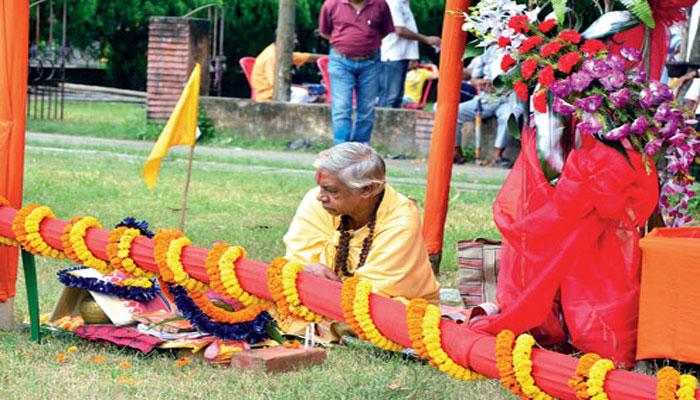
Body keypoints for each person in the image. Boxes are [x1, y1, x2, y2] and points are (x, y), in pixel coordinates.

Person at [283, 142, 440, 304]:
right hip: (322, 299)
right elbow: (297, 260)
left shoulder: (401, 219)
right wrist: (306, 270)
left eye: (332, 190)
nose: (320, 196)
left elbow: (377, 290)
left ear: (368, 189)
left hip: (387, 307)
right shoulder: (316, 201)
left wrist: (331, 288)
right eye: (321, 188)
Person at [319, 0, 395, 144]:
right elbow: (324, 31)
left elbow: (384, 31)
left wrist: (367, 43)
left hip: (371, 62)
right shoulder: (331, 4)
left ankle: (360, 149)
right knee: (341, 108)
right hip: (340, 61)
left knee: (366, 109)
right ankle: (342, 150)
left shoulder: (380, 4)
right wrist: (342, 42)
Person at [455, 46, 525, 167]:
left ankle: (497, 155)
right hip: (486, 99)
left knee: (509, 116)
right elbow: (474, 78)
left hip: (510, 99)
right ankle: (456, 153)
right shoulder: (489, 49)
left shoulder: (522, 48)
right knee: (455, 112)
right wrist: (480, 83)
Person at [378, 0, 441, 108]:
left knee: (397, 98)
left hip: (402, 56)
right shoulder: (394, 3)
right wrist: (426, 39)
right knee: (390, 98)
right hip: (393, 56)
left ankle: (392, 124)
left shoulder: (404, 3)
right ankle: (382, 124)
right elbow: (399, 30)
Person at [251, 38, 323, 103]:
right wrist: (302, 87)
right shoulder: (272, 56)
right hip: (268, 93)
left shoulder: (280, 52)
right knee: (302, 94)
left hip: (273, 90)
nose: (296, 41)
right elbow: (276, 84)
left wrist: (331, 57)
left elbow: (304, 57)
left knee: (316, 97)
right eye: (293, 39)